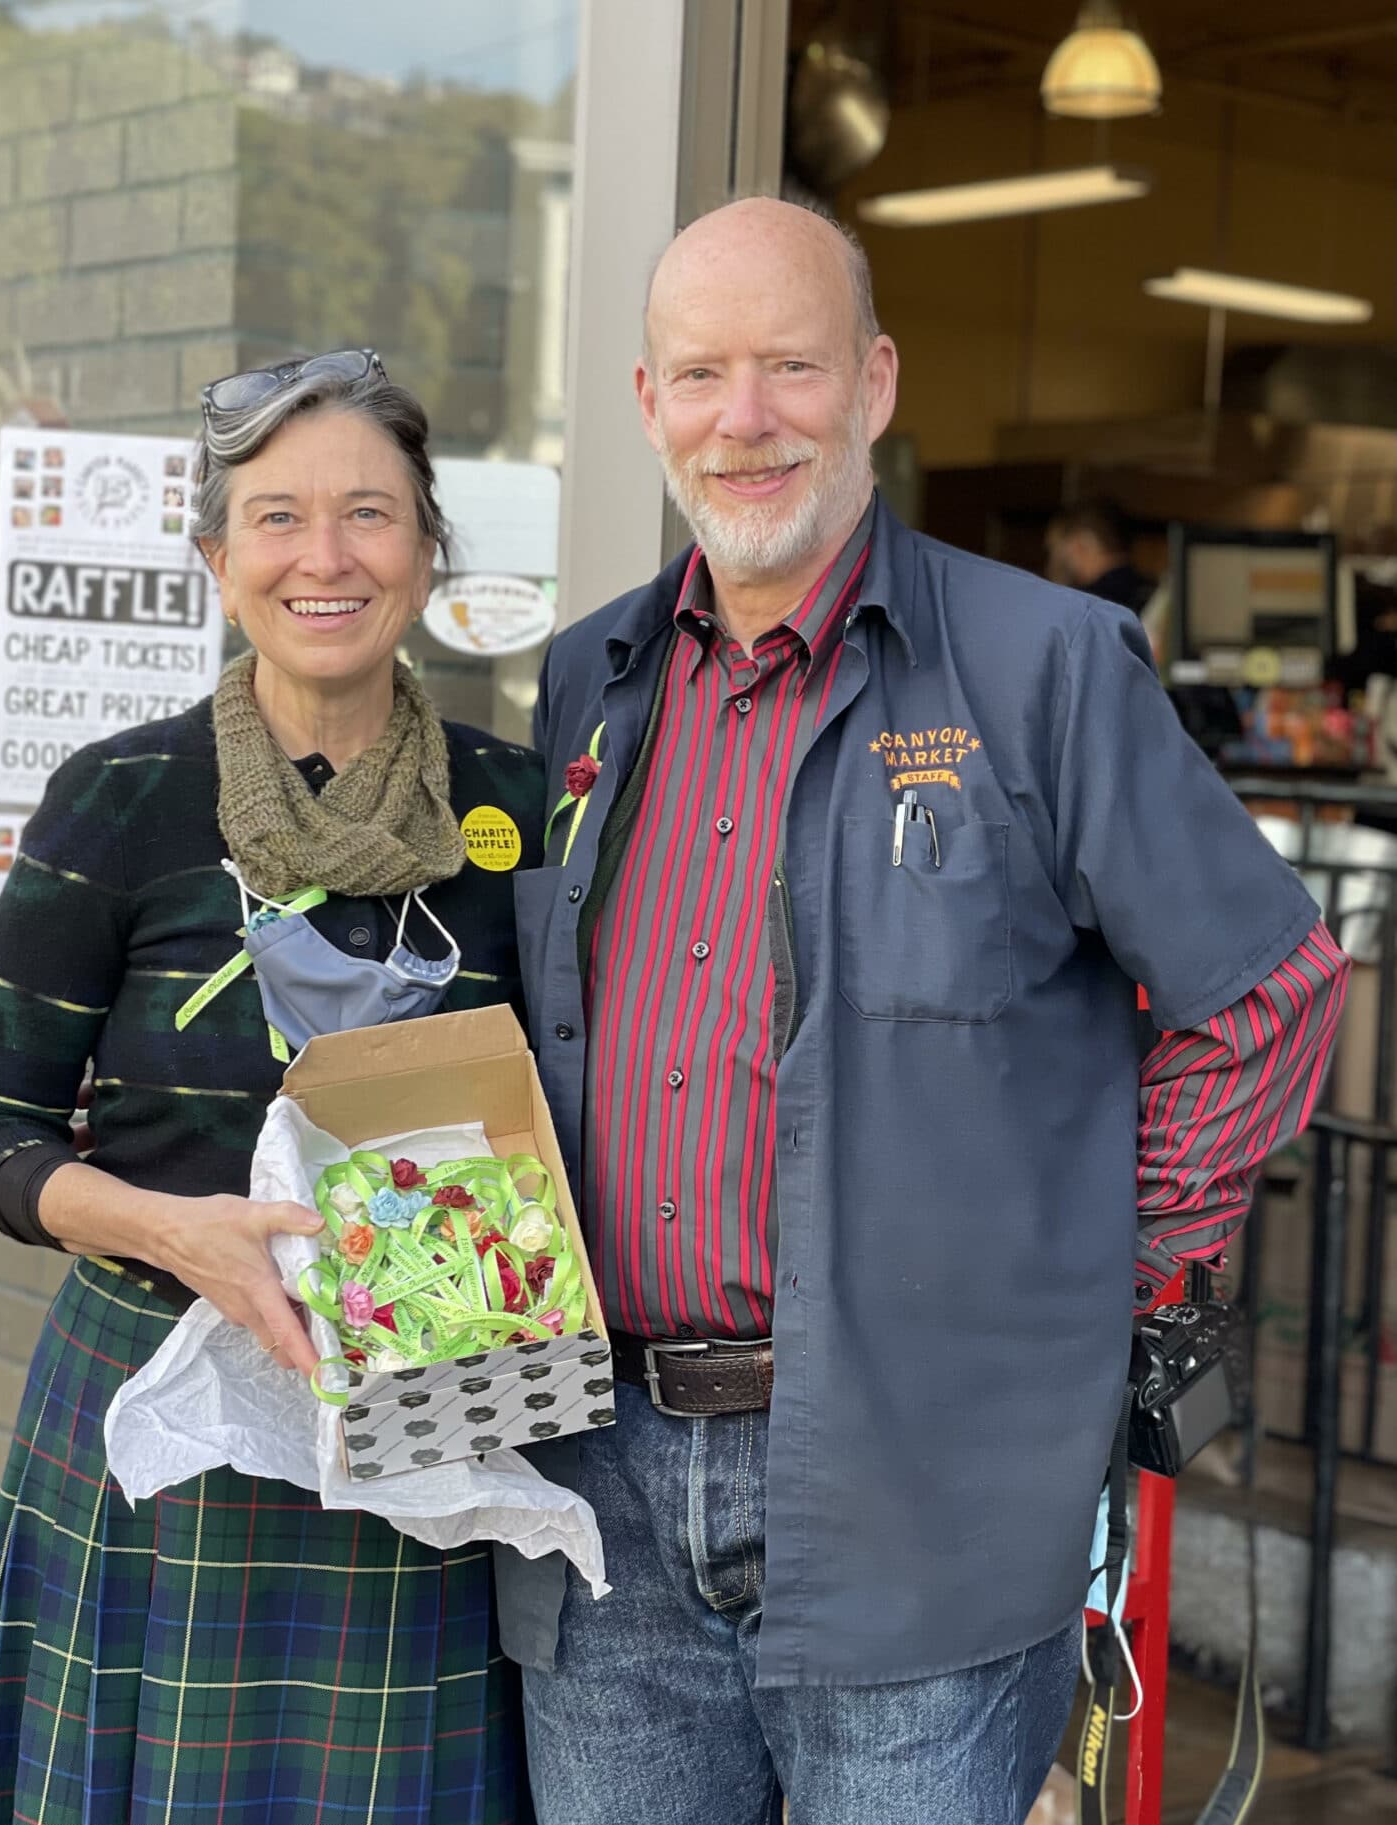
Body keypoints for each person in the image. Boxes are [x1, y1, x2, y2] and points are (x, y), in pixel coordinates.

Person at [502, 199, 1350, 1825]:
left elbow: (1269, 997)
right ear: (647, 404)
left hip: (925, 1493)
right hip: (599, 1488)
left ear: (877, 384)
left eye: (790, 367)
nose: (743, 419)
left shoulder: (1044, 668)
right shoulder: (585, 681)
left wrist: (1119, 1268)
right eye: (701, 375)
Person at [0, 351, 539, 1825]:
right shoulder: (121, 801)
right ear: (217, 559)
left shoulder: (516, 808)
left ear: (428, 552)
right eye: (276, 518)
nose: (324, 558)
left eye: (369, 516)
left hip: (425, 1418)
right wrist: (166, 1227)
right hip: (165, 1421)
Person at [1045, 496, 1156, 615]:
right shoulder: (1158, 595)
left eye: (1054, 549)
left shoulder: (1082, 607)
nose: (1051, 564)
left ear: (1080, 545)